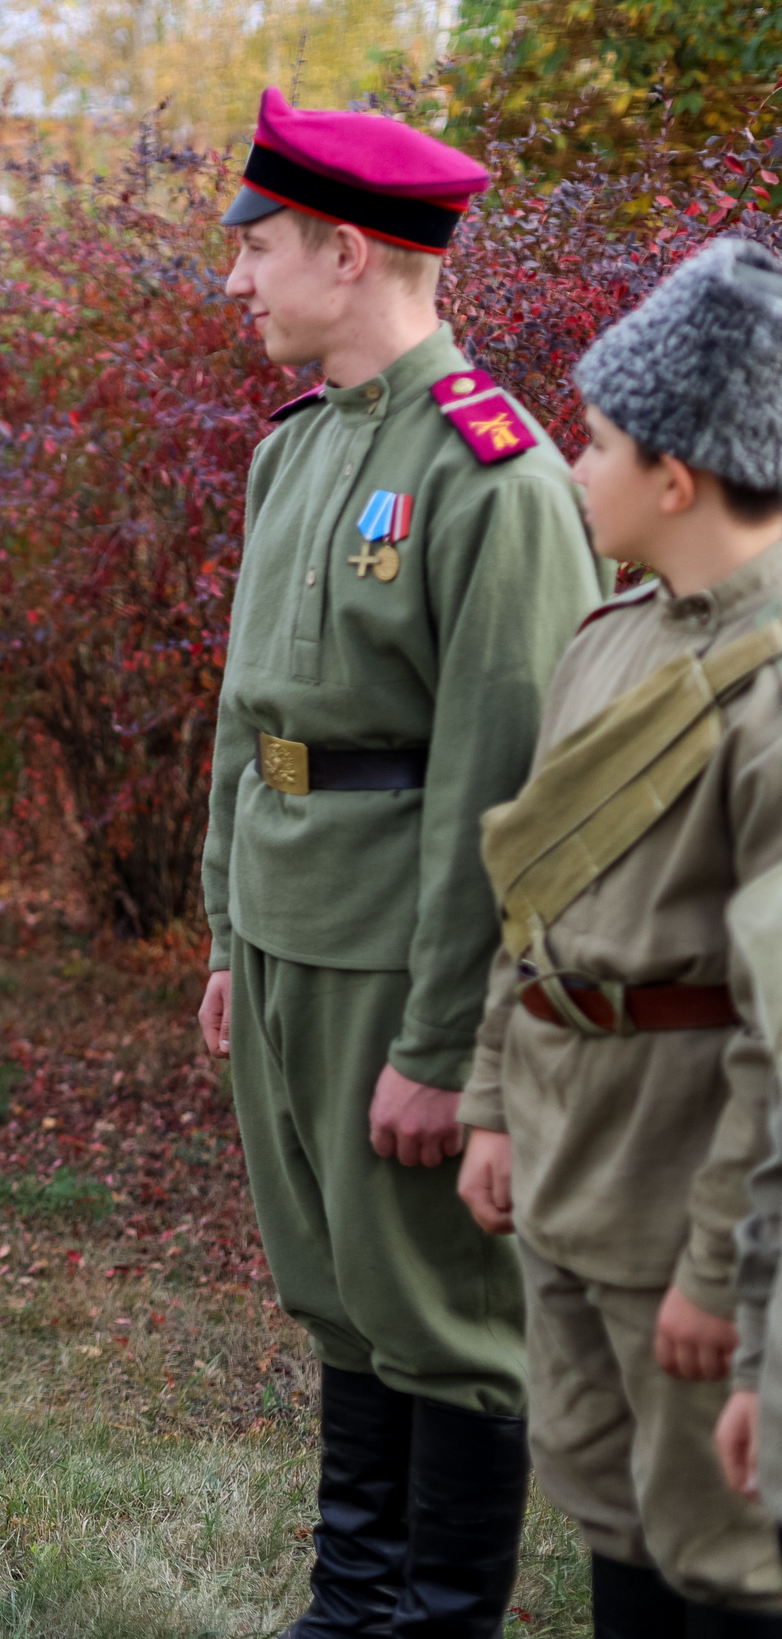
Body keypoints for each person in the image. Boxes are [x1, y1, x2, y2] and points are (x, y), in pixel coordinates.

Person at [194, 87, 606, 1636]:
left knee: (440, 1309)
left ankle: (432, 1619)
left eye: (258, 249)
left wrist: (450, 1044)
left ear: (348, 251)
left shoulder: (491, 474)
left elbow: (508, 790)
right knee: (340, 1288)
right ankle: (347, 1605)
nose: (236, 279)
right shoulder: (292, 454)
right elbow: (249, 721)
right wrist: (232, 932)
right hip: (293, 929)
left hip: (403, 952)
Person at [456, 237, 782, 1636]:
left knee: (727, 1557)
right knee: (613, 1521)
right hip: (569, 1154)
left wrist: (724, 1268)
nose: (568, 468)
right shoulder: (608, 636)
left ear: (677, 475)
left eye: (593, 443)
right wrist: (488, 1102)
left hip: (687, 1181)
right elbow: (530, 898)